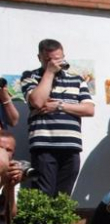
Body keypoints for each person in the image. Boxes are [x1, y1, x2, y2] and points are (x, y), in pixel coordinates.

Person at [21, 39, 95, 196]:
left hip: (71, 146)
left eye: (58, 58)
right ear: (39, 58)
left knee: (64, 196)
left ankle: (59, 222)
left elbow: (89, 109)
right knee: (43, 193)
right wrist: (49, 72)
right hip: (44, 145)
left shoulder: (77, 79)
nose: (55, 63)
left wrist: (60, 105)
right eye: (49, 60)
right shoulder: (30, 76)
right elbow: (38, 101)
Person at [0, 131, 26, 224]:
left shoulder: (12, 171)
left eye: (8, 150)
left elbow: (11, 215)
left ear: (13, 155)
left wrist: (10, 186)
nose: (4, 152)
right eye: (0, 147)